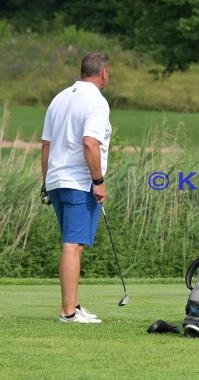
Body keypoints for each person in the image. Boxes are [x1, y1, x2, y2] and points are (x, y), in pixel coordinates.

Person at [41, 52, 112, 324]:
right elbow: (90, 143)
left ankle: (74, 305)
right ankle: (68, 312)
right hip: (79, 183)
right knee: (73, 245)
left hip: (57, 180)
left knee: (72, 243)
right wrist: (98, 181)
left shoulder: (59, 98)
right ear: (103, 72)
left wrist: (47, 182)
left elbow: (46, 145)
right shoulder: (96, 101)